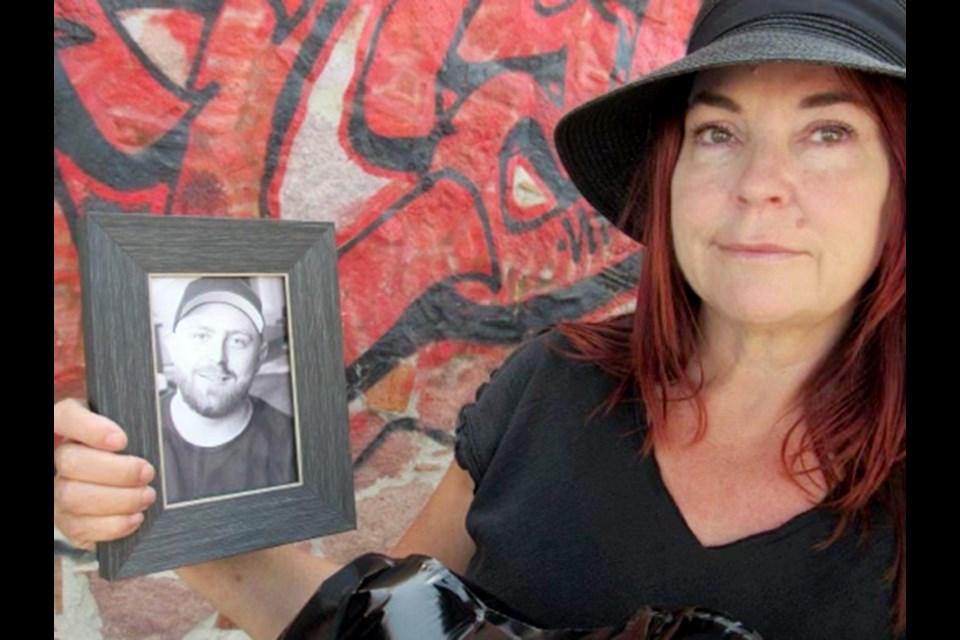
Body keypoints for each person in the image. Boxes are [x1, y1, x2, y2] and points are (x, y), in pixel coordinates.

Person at [52, 0, 906, 637]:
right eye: (717, 132)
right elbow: (383, 624)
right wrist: (157, 501)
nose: (760, 181)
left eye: (828, 132)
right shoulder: (553, 386)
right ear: (670, 175)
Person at [157, 277, 297, 503]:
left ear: (260, 357)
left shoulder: (293, 446)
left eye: (237, 341)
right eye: (201, 336)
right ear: (172, 346)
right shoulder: (130, 437)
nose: (217, 357)